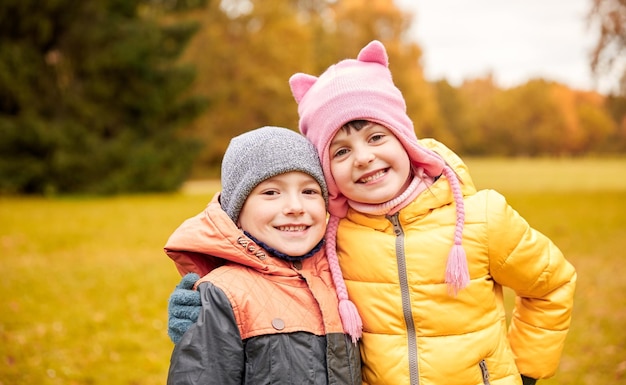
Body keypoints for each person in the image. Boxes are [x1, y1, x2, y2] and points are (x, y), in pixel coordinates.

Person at [168, 41, 577, 385]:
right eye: (341, 151)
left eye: (376, 136)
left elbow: (552, 285)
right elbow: (275, 276)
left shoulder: (480, 217)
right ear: (328, 173)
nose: (363, 158)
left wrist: (525, 372)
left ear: (405, 140)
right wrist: (205, 309)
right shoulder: (331, 237)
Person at [164, 126, 361, 384]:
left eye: (309, 191)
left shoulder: (343, 276)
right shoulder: (224, 294)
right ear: (237, 211)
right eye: (271, 193)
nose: (295, 207)